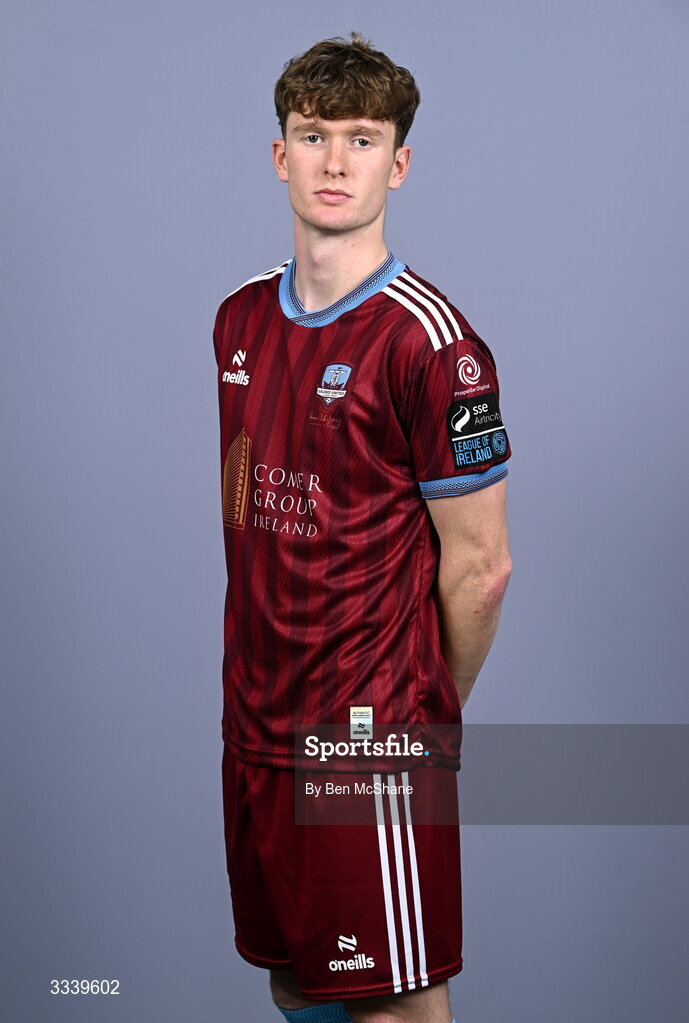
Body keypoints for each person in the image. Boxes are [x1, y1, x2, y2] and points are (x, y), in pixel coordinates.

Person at [212, 31, 512, 1023]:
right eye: (311, 135)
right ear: (277, 153)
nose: (334, 161)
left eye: (360, 137)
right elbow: (248, 502)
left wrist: (422, 711)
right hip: (254, 727)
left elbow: (480, 567)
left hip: (365, 743)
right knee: (293, 977)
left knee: (389, 1004)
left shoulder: (434, 346)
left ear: (399, 161)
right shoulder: (239, 321)